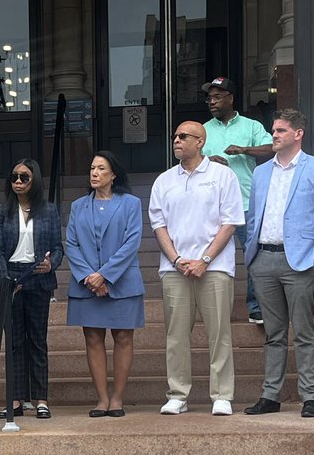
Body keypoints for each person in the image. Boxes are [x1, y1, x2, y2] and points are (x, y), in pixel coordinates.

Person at [243, 109, 314, 418]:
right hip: (263, 259)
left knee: (305, 332)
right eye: (274, 130)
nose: (274, 135)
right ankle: (270, 395)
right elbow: (254, 216)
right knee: (273, 333)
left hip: (299, 261)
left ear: (298, 134)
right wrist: (251, 254)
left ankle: (310, 396)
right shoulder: (260, 172)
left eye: (281, 130)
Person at [149, 122, 244, 416]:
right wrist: (177, 259)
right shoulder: (164, 180)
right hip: (174, 267)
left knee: (219, 333)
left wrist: (205, 259)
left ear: (200, 141)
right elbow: (158, 225)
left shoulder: (222, 175)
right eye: (175, 136)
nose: (176, 140)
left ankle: (221, 395)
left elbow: (230, 221)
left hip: (214, 267)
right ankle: (177, 394)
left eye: (183, 136)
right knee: (176, 334)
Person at [65, 151, 144, 417]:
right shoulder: (78, 206)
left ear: (114, 175)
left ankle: (117, 399)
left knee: (122, 337)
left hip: (122, 282)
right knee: (93, 338)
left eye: (101, 168)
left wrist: (106, 275)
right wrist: (90, 276)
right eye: (92, 168)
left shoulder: (130, 203)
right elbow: (72, 244)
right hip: (86, 283)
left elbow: (132, 242)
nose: (94, 173)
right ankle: (101, 399)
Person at [0, 158, 63, 419]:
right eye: (14, 177)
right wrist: (6, 278)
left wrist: (50, 263)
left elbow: (58, 248)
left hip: (38, 278)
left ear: (35, 180)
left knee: (38, 340)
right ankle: (16, 399)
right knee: (15, 342)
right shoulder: (2, 211)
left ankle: (41, 399)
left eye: (24, 177)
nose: (18, 182)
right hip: (11, 278)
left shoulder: (49, 210)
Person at [201, 76, 273, 325]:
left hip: (245, 203)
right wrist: (207, 162)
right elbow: (187, 160)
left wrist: (243, 150)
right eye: (209, 97)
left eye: (218, 96)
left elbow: (272, 148)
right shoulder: (203, 130)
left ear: (231, 98)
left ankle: (255, 307)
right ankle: (210, 308)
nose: (212, 101)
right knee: (210, 257)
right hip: (211, 207)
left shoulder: (251, 127)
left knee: (253, 256)